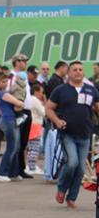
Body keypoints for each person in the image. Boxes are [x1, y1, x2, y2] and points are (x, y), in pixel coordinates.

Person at [46, 60, 99, 208]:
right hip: (67, 133)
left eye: (80, 70)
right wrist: (57, 121)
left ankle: (72, 198)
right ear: (69, 73)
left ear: (83, 72)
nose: (77, 72)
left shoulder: (91, 90)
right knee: (72, 163)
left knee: (81, 169)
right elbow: (48, 108)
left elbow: (97, 107)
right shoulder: (60, 90)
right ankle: (62, 189)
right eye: (74, 70)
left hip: (85, 134)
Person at [0, 72, 22, 181]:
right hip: (8, 120)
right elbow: (18, 103)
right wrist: (19, 103)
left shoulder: (6, 93)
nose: (5, 83)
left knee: (16, 147)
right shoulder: (2, 94)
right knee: (11, 147)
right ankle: (2, 173)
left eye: (6, 81)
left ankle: (13, 172)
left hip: (12, 120)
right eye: (3, 81)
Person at [10, 53, 33, 179]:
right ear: (17, 62)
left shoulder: (23, 77)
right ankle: (15, 169)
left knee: (23, 143)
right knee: (17, 143)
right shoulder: (13, 77)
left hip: (27, 111)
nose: (25, 63)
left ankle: (21, 168)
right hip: (19, 111)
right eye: (23, 61)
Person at [27, 82, 45, 174]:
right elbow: (43, 112)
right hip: (36, 124)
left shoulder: (30, 99)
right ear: (36, 92)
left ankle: (31, 165)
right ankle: (32, 167)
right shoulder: (35, 100)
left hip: (32, 124)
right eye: (41, 92)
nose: (42, 94)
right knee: (34, 146)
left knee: (31, 147)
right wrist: (44, 105)